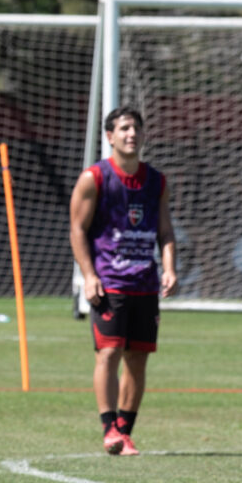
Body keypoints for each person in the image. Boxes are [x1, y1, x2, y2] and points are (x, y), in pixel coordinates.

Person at [68, 106, 177, 456]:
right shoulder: (94, 178)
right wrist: (88, 275)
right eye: (125, 128)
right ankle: (108, 428)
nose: (132, 134)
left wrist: (170, 267)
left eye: (137, 128)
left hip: (144, 283)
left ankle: (125, 432)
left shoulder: (156, 181)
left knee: (138, 358)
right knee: (109, 352)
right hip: (108, 282)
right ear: (110, 136)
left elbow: (165, 230)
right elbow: (77, 229)